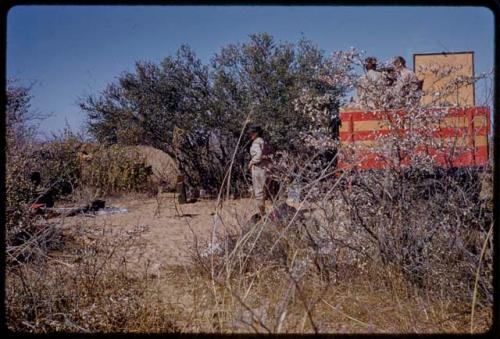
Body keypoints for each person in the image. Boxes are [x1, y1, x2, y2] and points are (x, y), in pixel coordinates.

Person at [247, 124, 272, 217]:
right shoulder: (264, 141)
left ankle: (262, 214)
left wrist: (251, 162)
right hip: (266, 168)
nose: (250, 135)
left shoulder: (257, 142)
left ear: (256, 133)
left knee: (259, 192)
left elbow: (258, 155)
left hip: (259, 168)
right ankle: (264, 212)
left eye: (252, 133)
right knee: (264, 190)